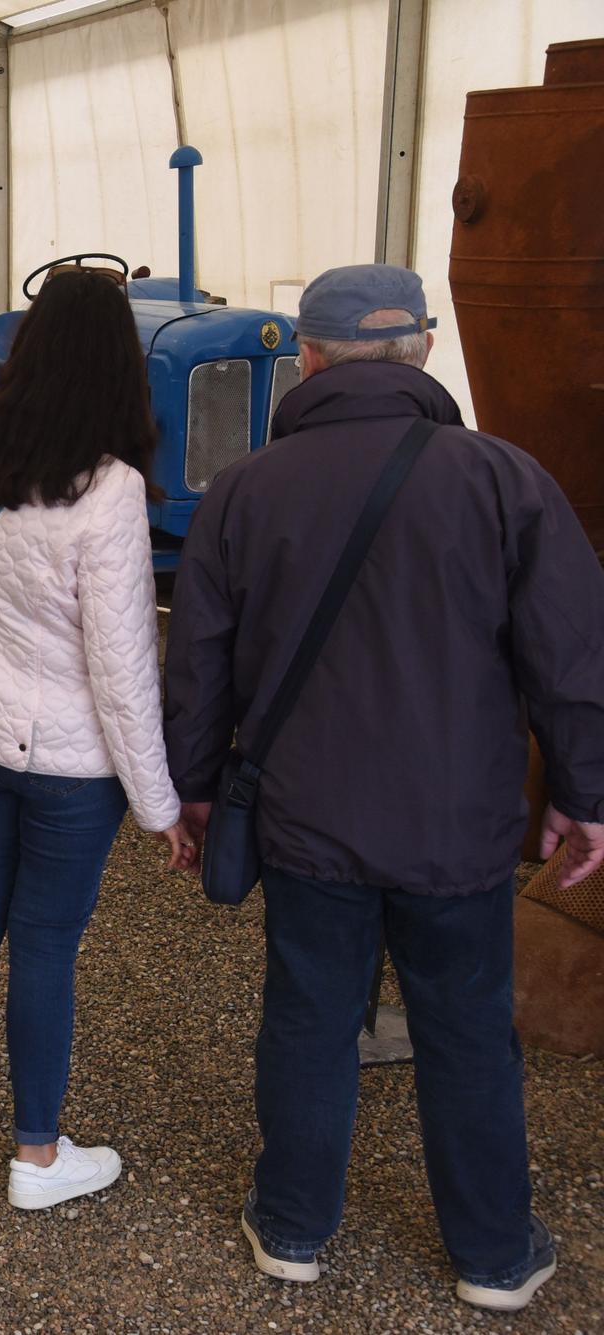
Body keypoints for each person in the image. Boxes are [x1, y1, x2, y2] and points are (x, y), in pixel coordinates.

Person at [164, 265, 604, 1312]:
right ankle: (494, 1256)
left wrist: (187, 789)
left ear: (306, 359)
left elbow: (197, 660)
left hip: (303, 816)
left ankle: (290, 1229)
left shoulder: (241, 490)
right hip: (455, 827)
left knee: (307, 1017)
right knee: (464, 1027)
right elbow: (571, 658)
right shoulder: (504, 479)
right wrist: (582, 792)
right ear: (421, 351)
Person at [0, 271, 194, 1209]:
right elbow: (122, 670)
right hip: (68, 769)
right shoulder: (108, 491)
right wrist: (161, 807)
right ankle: (36, 1155)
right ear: (120, 365)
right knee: (45, 945)